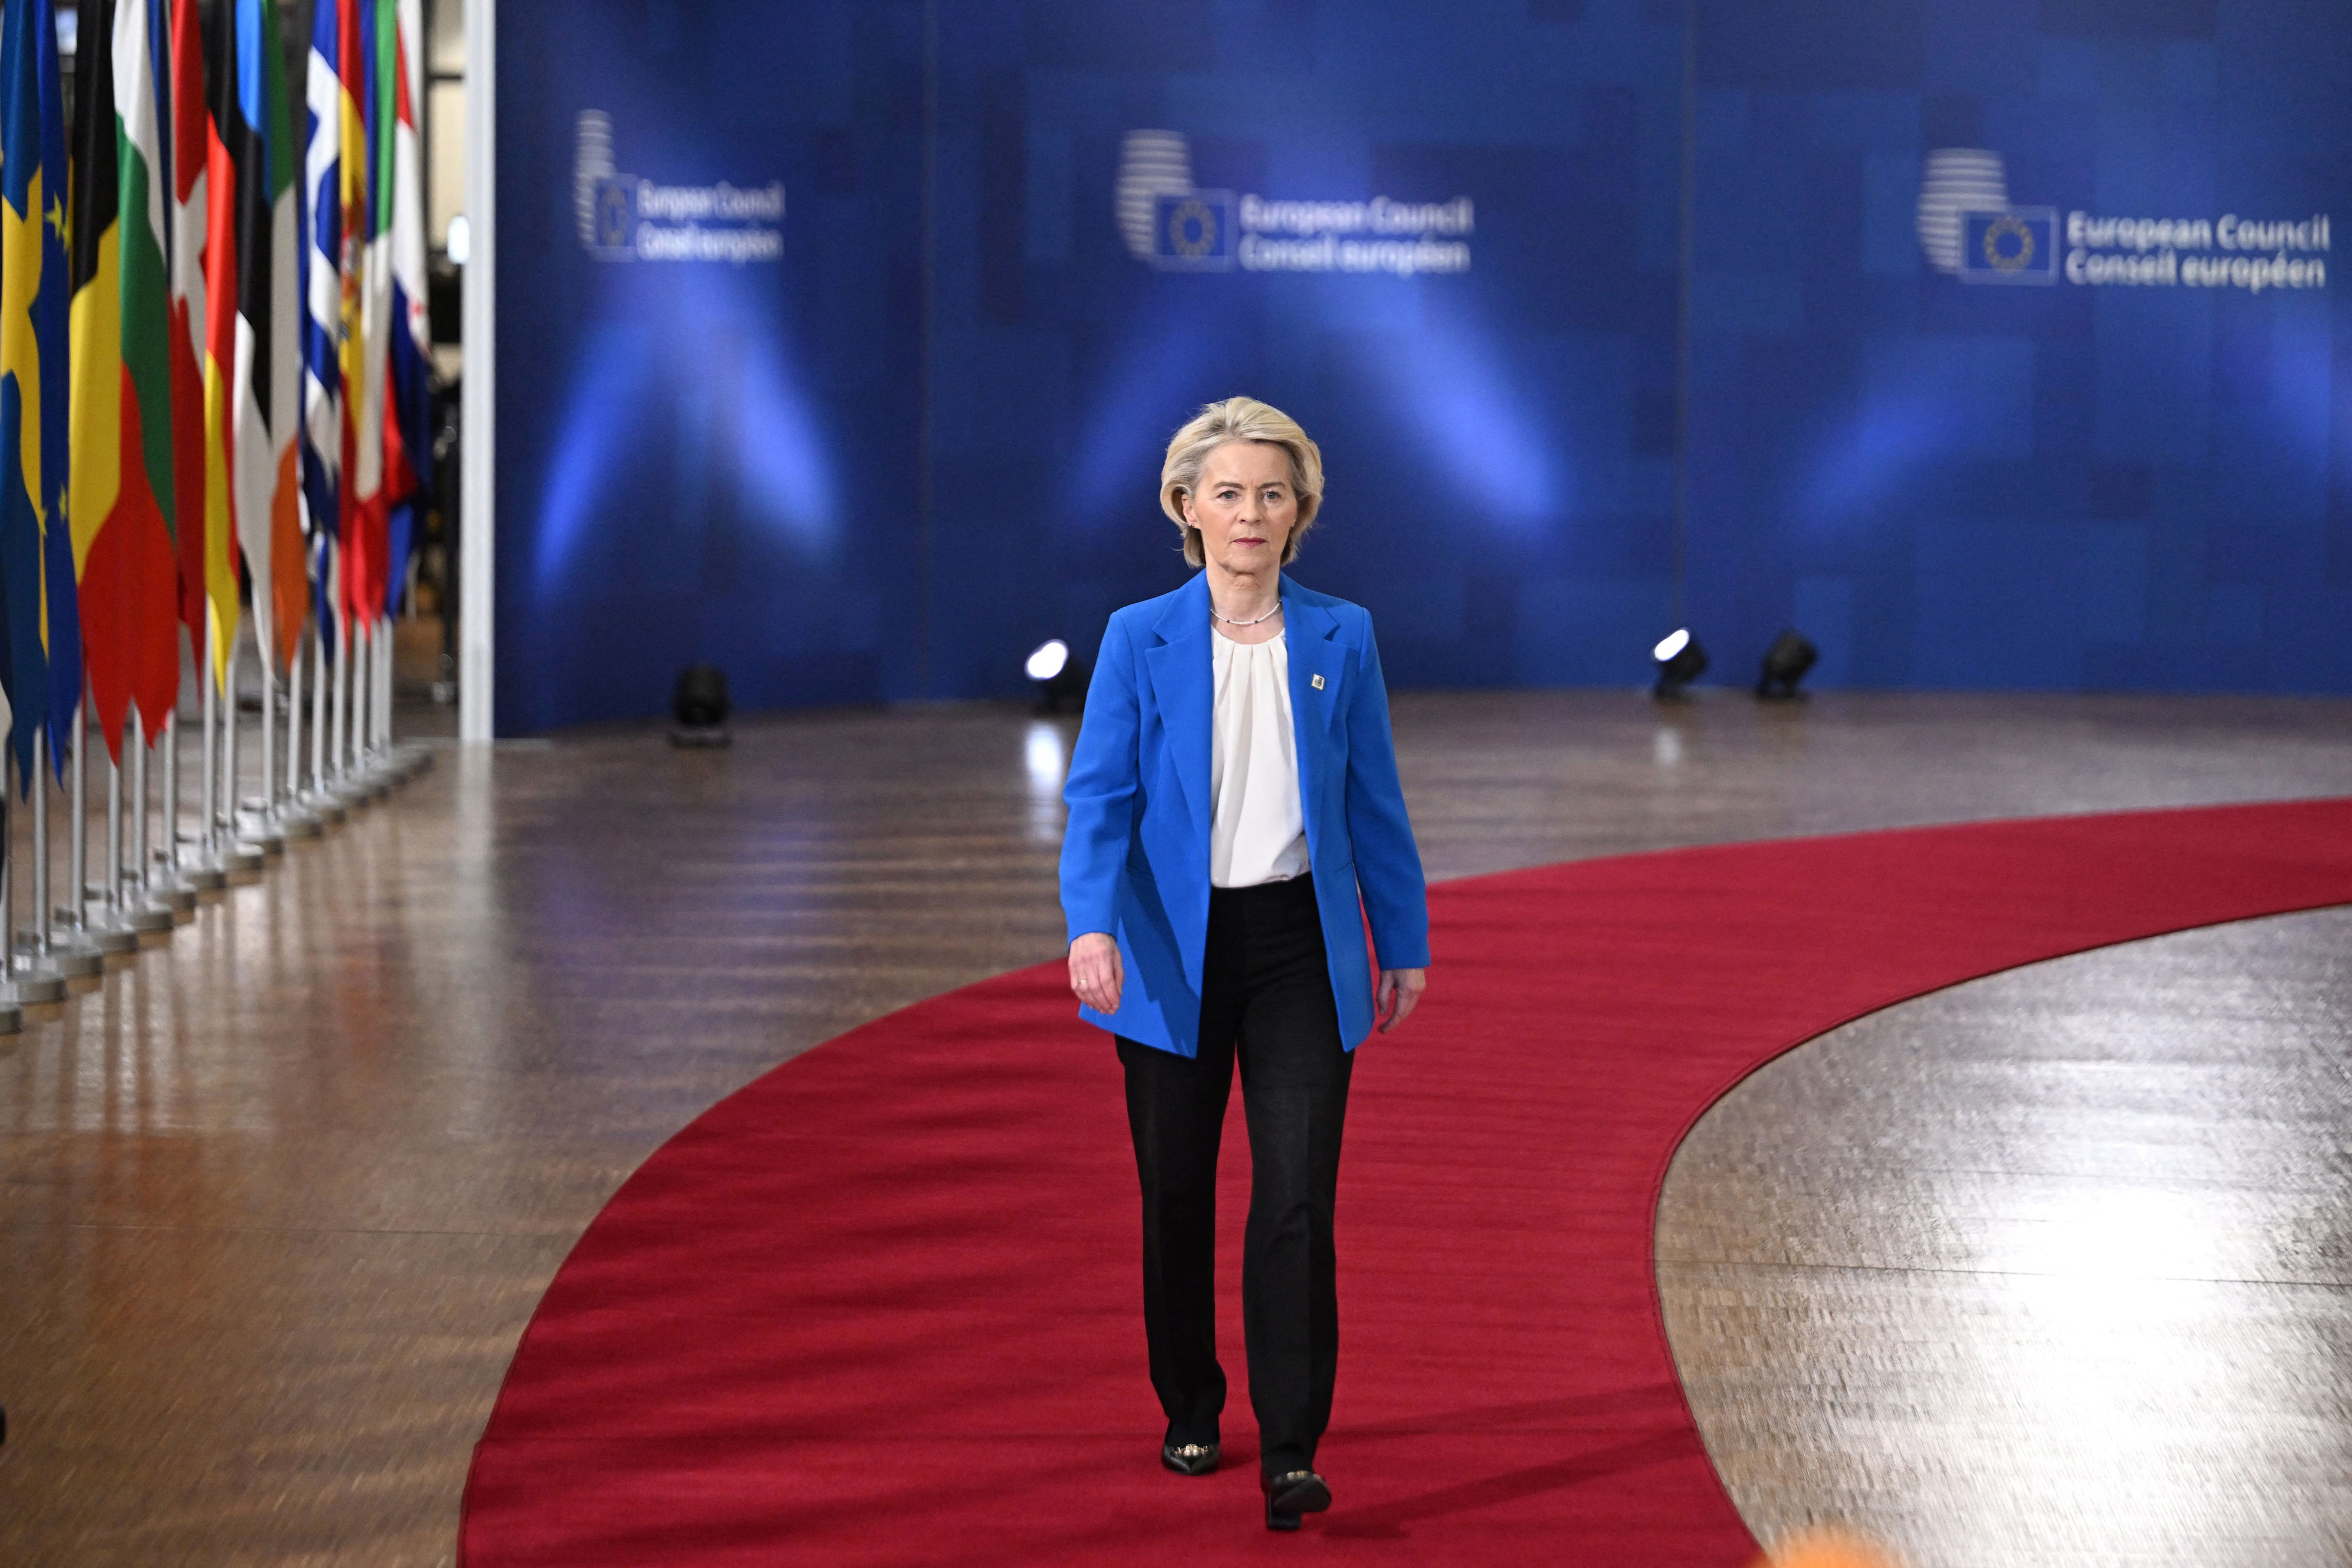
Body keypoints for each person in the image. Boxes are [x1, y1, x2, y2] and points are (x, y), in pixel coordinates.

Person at [1059, 396, 1431, 1532]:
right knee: (1175, 1192)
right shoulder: (1138, 636)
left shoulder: (1343, 635)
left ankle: (1290, 1446)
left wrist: (1402, 939)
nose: (1251, 513)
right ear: (1187, 507)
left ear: (1301, 510)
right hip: (1169, 950)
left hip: (1298, 947)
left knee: (1296, 1195)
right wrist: (1089, 924)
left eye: (1273, 492)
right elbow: (1099, 796)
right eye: (1228, 492)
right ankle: (1189, 1402)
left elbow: (1373, 798)